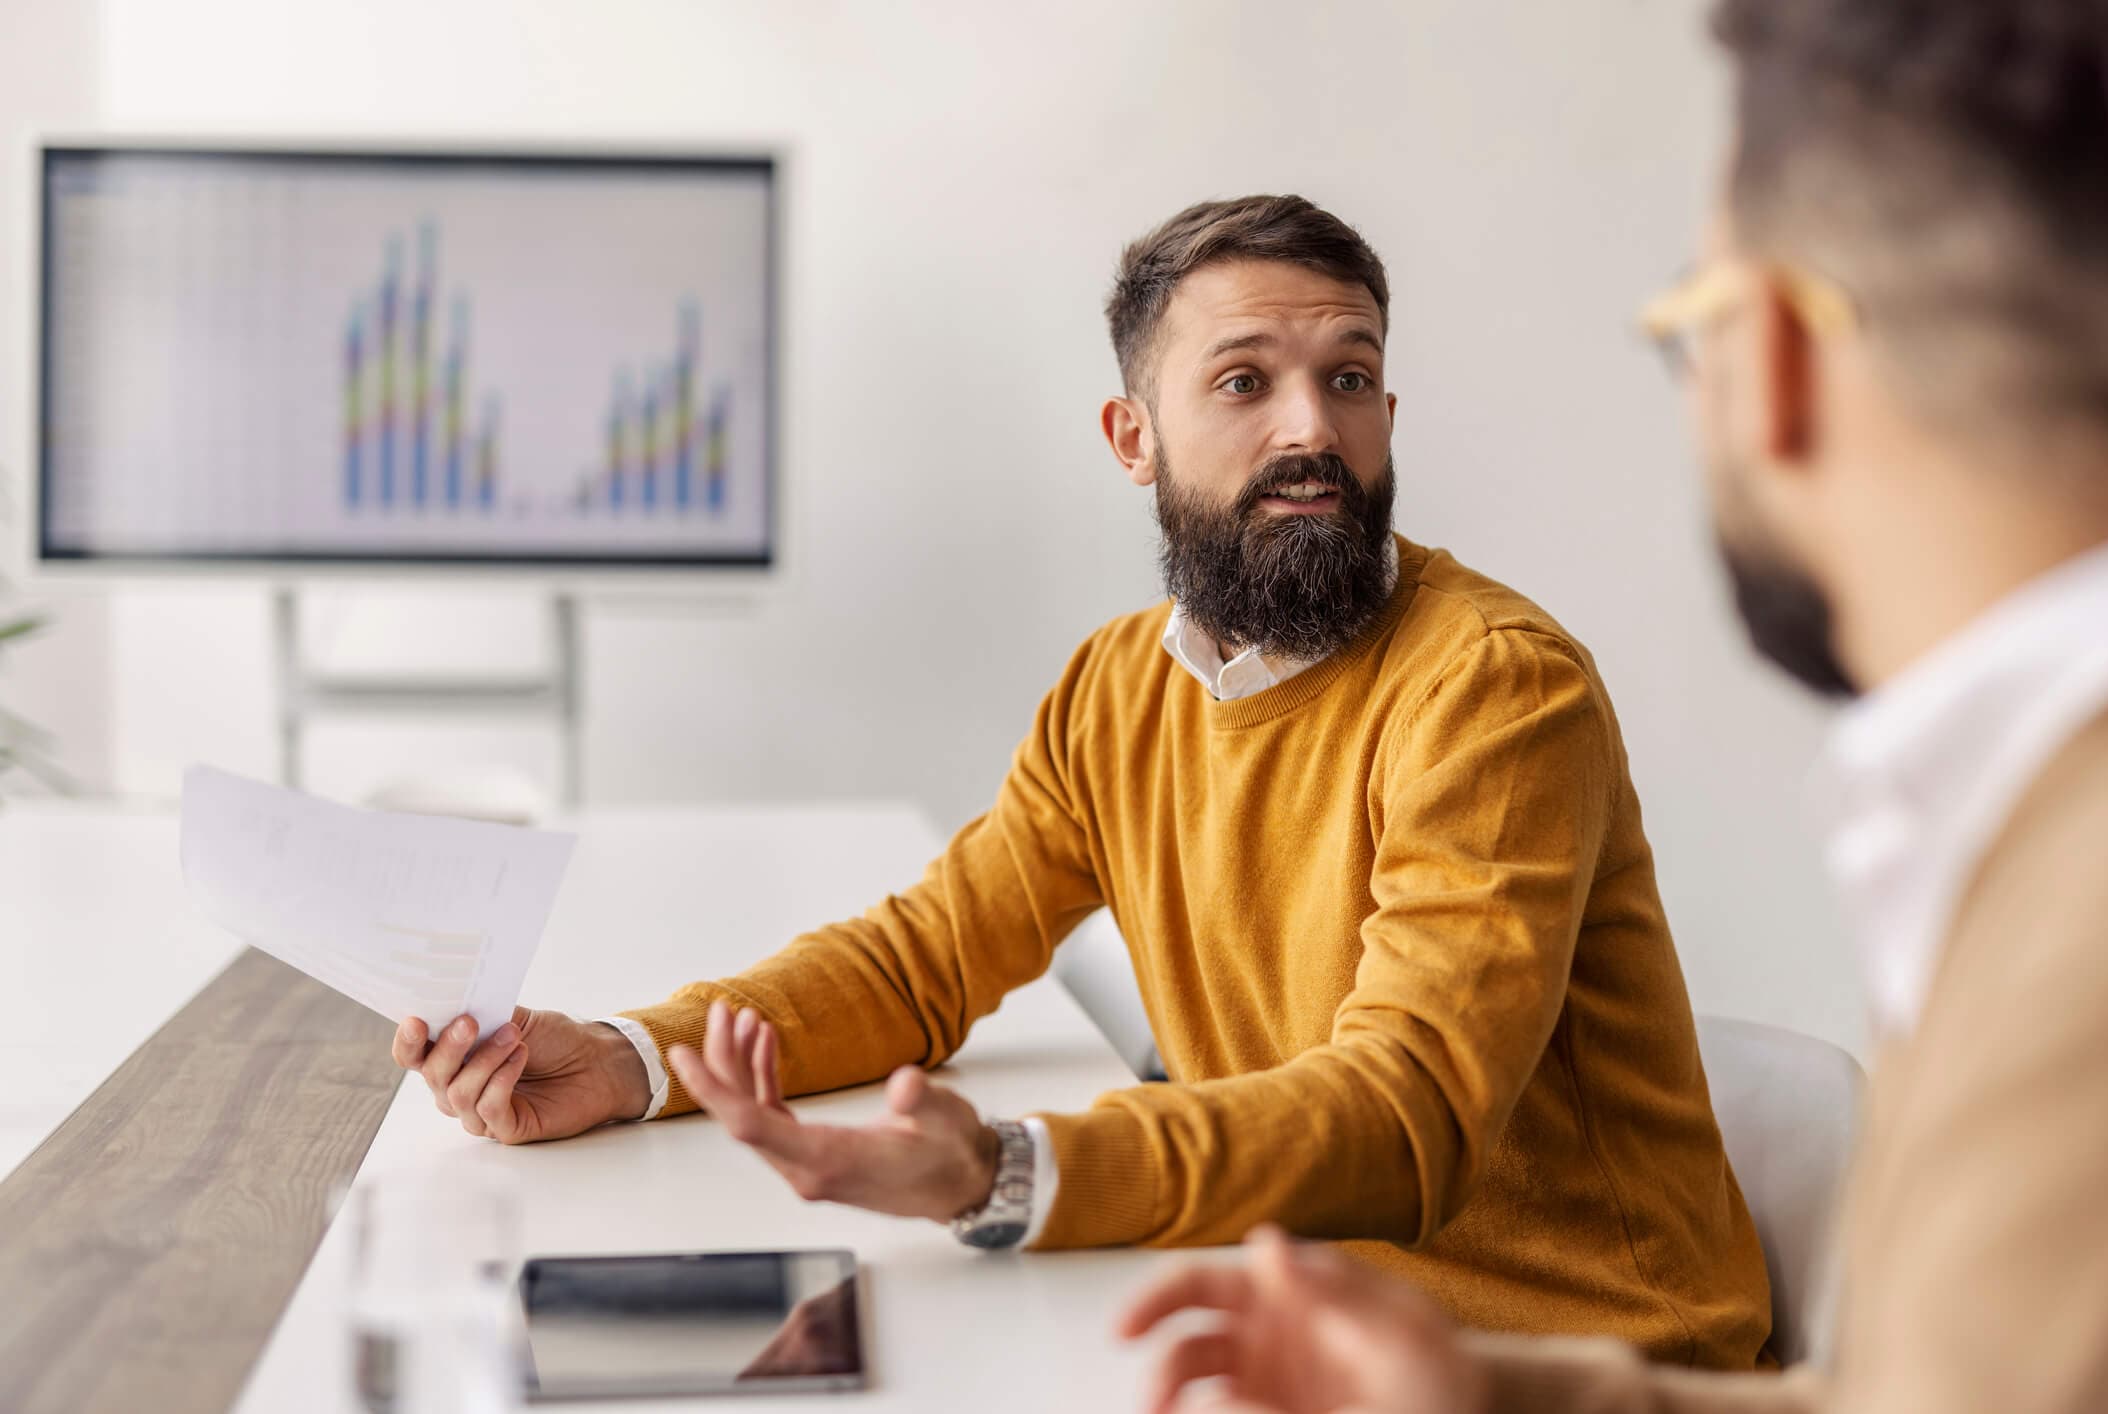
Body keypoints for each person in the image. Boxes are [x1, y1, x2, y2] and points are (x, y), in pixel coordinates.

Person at [394, 195, 1769, 1366]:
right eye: (1246, 382)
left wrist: (1009, 1169)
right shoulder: (1120, 690)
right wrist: (633, 1060)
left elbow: (1406, 1114)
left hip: (1582, 1362)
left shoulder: (1495, 688)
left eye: (1348, 378)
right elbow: (926, 959)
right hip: (1315, 1329)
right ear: (1132, 439)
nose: (1312, 427)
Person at [1121, 3, 2108, 1411]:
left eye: (1688, 325)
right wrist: (1489, 1393)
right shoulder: (2015, 826)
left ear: (1765, 355)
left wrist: (1025, 1169)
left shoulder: (2079, 919)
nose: (1310, 430)